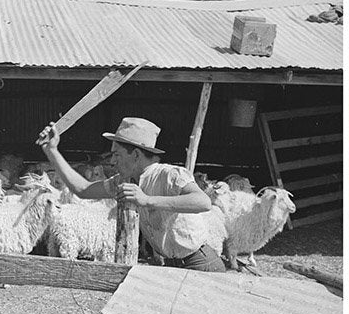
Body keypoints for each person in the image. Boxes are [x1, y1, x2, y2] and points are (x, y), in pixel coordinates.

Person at [35, 116, 225, 272]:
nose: (112, 161)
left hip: (201, 264)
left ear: (135, 155)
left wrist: (147, 200)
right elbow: (83, 190)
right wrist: (51, 151)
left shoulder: (169, 175)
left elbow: (203, 202)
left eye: (117, 154)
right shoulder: (123, 180)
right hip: (172, 265)